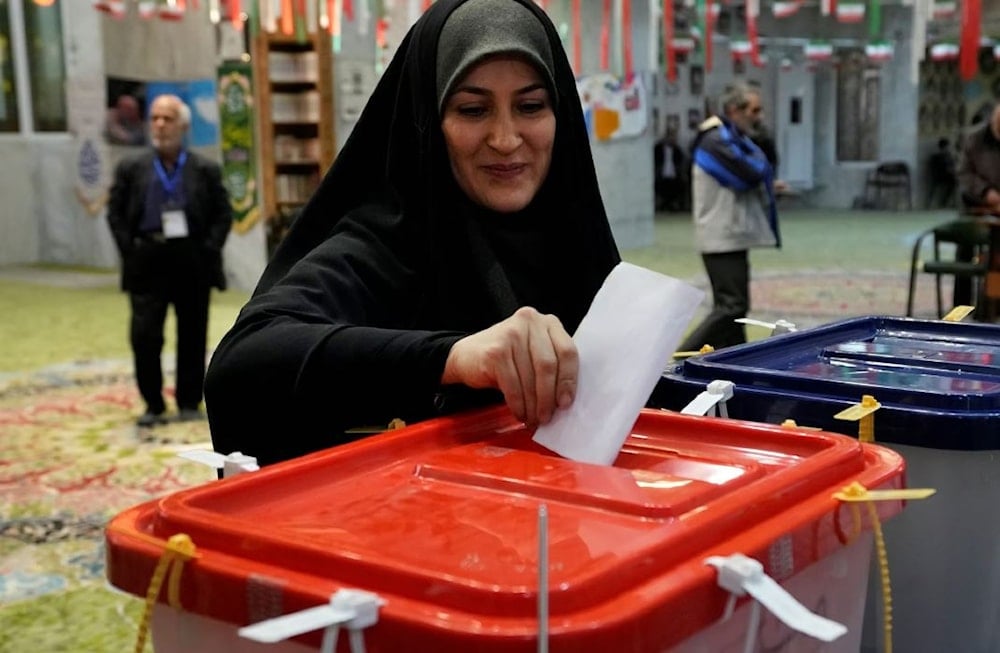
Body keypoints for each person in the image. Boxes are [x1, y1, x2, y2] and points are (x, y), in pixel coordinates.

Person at [204, 0, 621, 467]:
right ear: (428, 120)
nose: (505, 138)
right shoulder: (385, 245)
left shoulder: (573, 242)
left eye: (530, 106)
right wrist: (452, 358)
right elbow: (240, 367)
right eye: (472, 109)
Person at [106, 94, 232, 427]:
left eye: (168, 118)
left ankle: (189, 401)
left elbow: (223, 213)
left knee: (192, 333)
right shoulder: (131, 168)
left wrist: (209, 249)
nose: (160, 125)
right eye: (156, 118)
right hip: (147, 259)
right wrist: (129, 251)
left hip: (191, 259)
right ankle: (153, 404)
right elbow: (115, 213)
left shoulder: (204, 169)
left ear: (184, 126)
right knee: (145, 335)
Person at [677, 83, 781, 352]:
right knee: (730, 306)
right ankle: (674, 360)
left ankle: (736, 362)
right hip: (720, 235)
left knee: (736, 311)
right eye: (754, 110)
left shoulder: (729, 137)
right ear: (734, 110)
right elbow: (750, 172)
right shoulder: (715, 140)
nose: (759, 117)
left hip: (730, 235)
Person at [653, 129, 688, 211]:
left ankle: (670, 205)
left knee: (679, 186)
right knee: (661, 186)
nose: (672, 139)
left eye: (673, 137)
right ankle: (664, 205)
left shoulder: (677, 150)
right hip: (660, 175)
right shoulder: (658, 149)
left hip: (674, 175)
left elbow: (680, 164)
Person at [926, 137, 957, 209]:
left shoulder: (948, 156)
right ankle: (944, 202)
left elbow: (952, 166)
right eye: (948, 146)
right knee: (954, 182)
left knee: (955, 181)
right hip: (941, 177)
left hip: (947, 176)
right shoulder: (939, 157)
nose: (949, 148)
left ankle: (947, 202)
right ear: (944, 147)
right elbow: (946, 169)